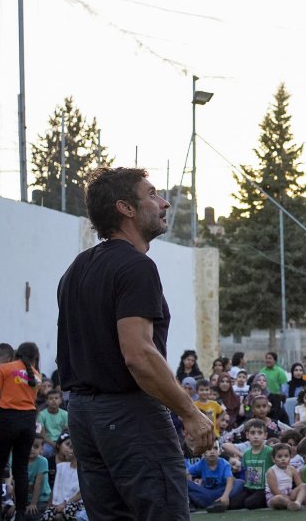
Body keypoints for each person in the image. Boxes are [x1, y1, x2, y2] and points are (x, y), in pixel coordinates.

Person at [56, 167, 211, 519]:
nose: (164, 202)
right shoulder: (136, 267)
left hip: (83, 416)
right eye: (153, 194)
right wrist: (190, 413)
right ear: (126, 208)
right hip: (129, 414)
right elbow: (138, 354)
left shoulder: (76, 269)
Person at [0, 341, 41, 521]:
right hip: (28, 421)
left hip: (7, 419)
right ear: (35, 357)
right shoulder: (37, 375)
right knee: (21, 469)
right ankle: (20, 514)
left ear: (17, 354)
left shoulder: (5, 369)